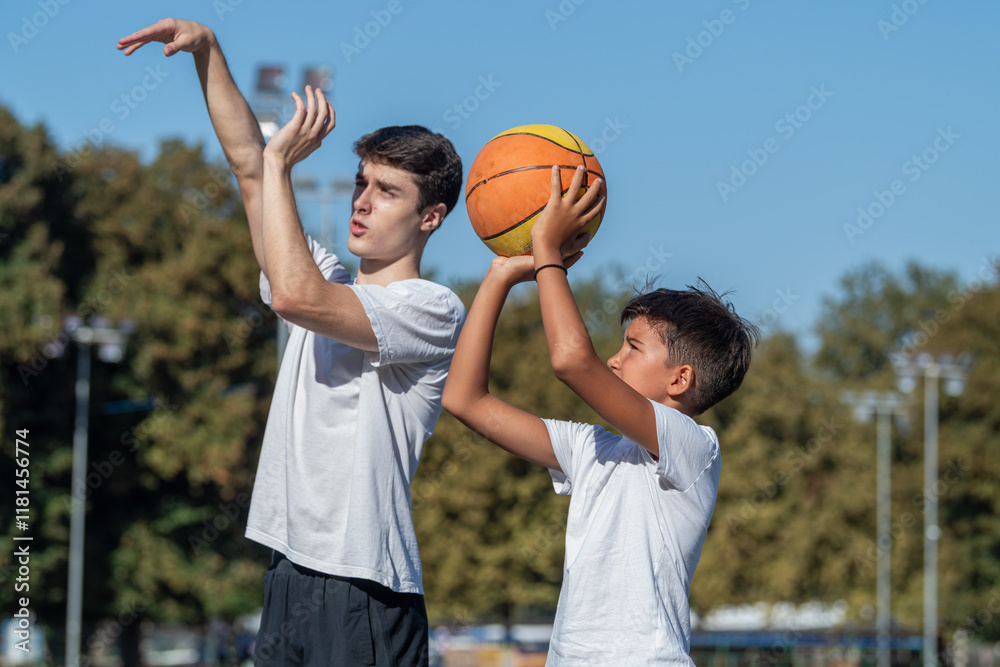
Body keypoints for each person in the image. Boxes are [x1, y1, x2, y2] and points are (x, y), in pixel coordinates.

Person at [118, 19, 466, 666]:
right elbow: (253, 173)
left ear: (430, 217)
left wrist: (280, 161)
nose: (363, 200)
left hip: (365, 587)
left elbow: (295, 296)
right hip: (289, 571)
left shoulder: (431, 307)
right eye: (361, 182)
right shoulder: (327, 275)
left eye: (386, 191)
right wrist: (208, 52)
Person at [442, 165, 759, 665]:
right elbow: (465, 400)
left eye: (632, 347)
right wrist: (500, 277)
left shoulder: (693, 446)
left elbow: (572, 361)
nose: (615, 358)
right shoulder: (592, 449)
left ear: (680, 380)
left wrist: (548, 253)